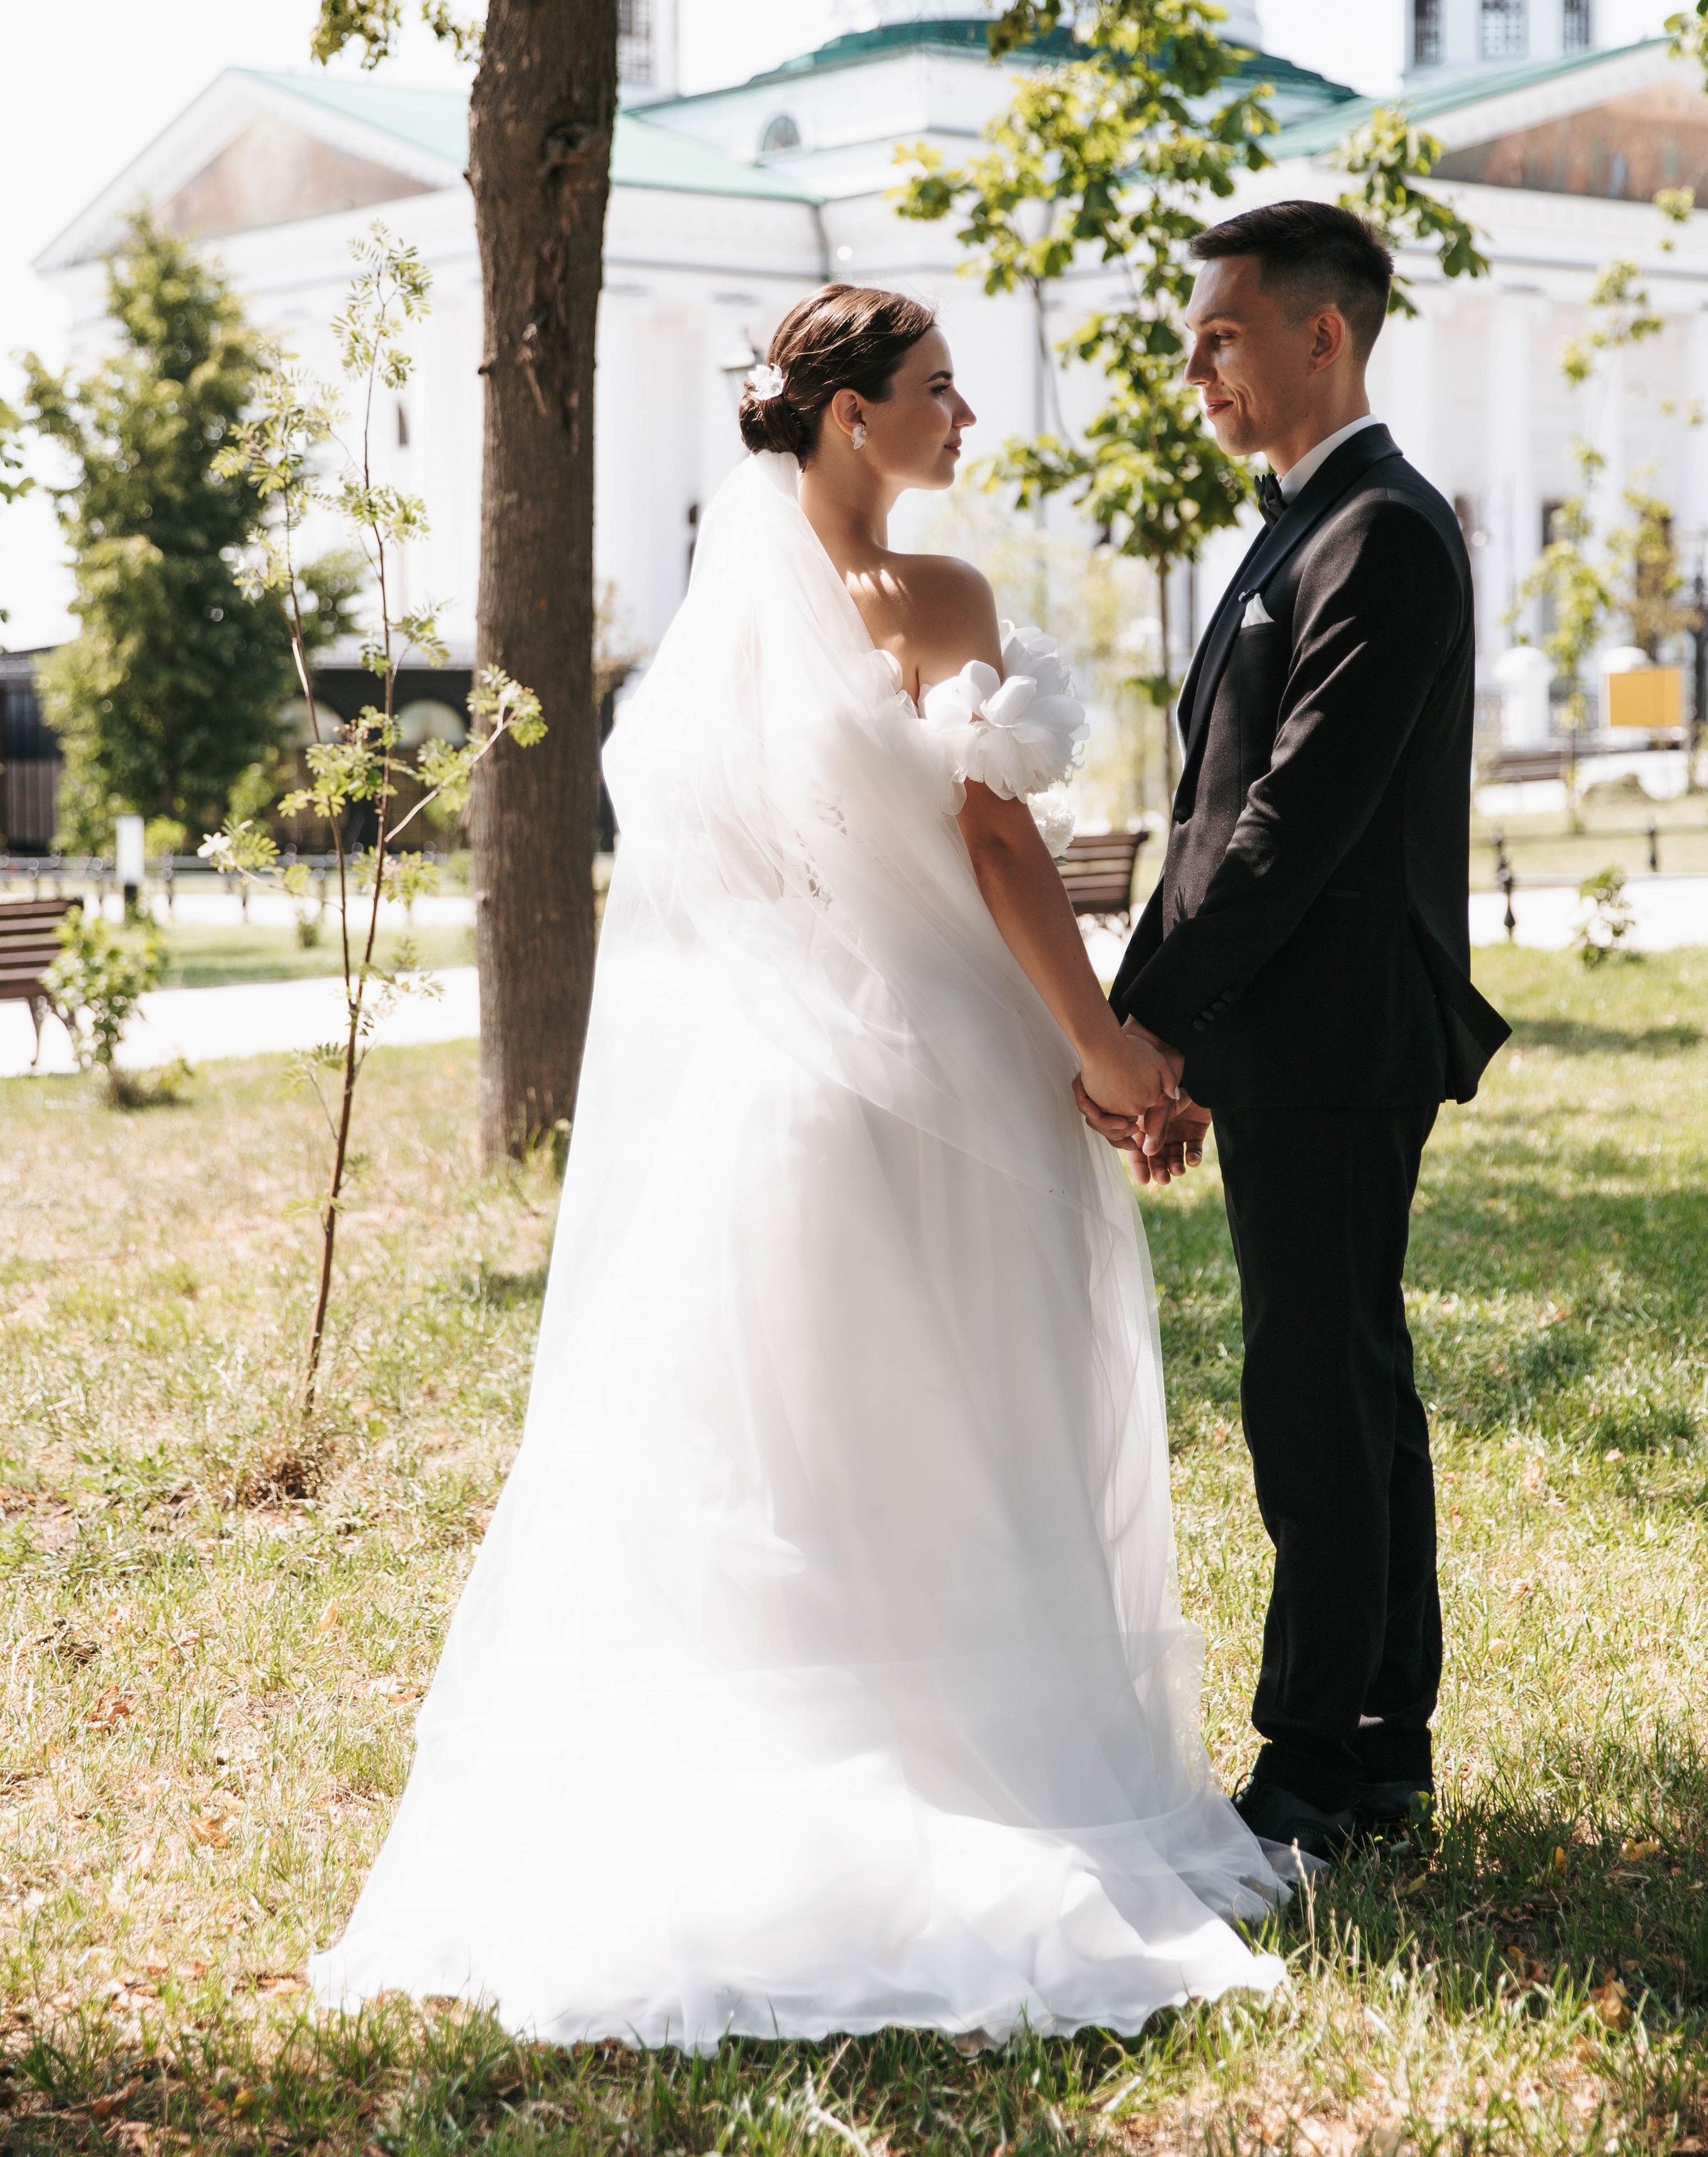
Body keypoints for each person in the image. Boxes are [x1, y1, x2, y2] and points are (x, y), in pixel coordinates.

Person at [312, 282, 1294, 2048]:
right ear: (849, 418)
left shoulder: (719, 631)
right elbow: (997, 854)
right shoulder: (933, 601)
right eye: (935, 391)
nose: (961, 420)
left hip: (761, 1104)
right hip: (937, 1078)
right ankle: (974, 1770)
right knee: (963, 1428)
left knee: (789, 1457)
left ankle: (777, 1760)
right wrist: (1105, 1048)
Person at [1080, 202, 1509, 1861]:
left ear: (1317, 335)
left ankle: (1316, 1767)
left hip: (1338, 1033)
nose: (1195, 366)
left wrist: (1139, 1025)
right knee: (1344, 1373)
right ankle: (1383, 1738)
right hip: (1284, 1027)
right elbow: (1216, 813)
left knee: (1311, 1393)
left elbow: (1285, 826)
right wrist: (1167, 1034)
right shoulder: (1297, 523)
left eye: (1218, 335)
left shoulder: (1382, 532)